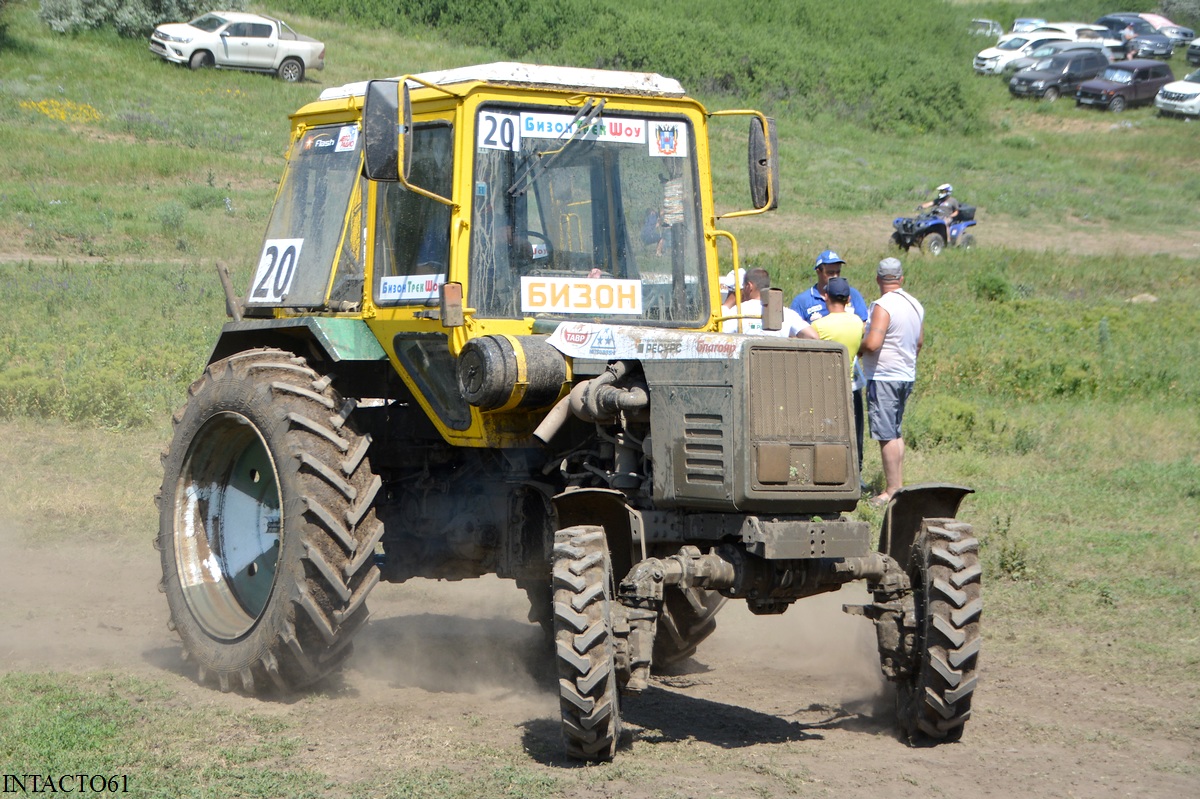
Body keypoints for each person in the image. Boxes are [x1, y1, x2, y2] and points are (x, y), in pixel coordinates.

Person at [791, 250, 869, 485]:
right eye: (830, 271)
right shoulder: (803, 301)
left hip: (850, 377)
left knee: (853, 428)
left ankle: (856, 472)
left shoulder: (851, 294)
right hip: (817, 379)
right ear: (819, 272)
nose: (834, 275)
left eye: (838, 271)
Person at [859, 257, 924, 506]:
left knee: (886, 434)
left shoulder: (882, 305)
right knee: (895, 432)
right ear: (901, 279)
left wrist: (858, 347)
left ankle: (892, 490)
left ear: (878, 279)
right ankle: (898, 485)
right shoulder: (915, 305)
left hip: (884, 375)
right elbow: (919, 342)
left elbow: (874, 343)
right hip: (906, 374)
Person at [811, 276, 866, 474]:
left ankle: (828, 471)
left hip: (827, 389)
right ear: (849, 299)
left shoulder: (819, 326)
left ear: (826, 296)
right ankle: (855, 473)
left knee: (828, 434)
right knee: (855, 433)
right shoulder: (858, 322)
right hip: (851, 386)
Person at [722, 267, 813, 338]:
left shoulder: (737, 312)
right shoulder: (786, 313)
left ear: (749, 286)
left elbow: (721, 337)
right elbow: (812, 336)